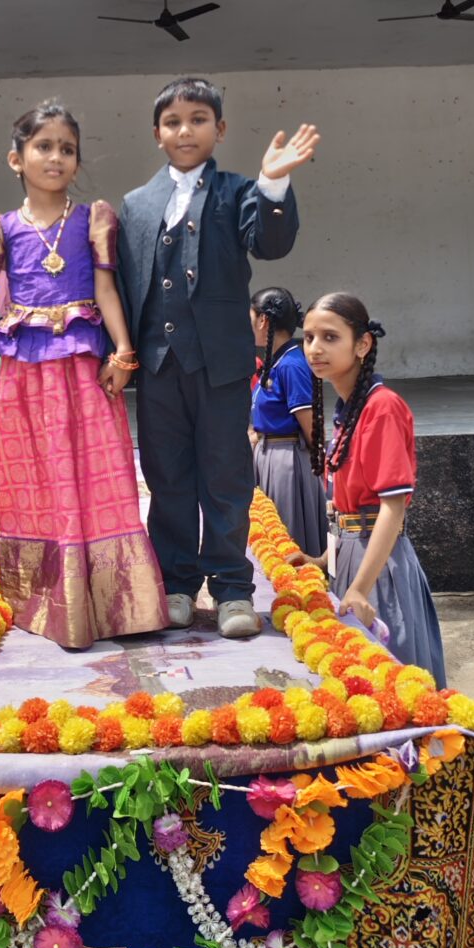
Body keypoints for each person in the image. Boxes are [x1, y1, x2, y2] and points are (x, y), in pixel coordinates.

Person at [0, 100, 167, 650]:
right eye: (43, 146)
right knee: (41, 483)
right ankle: (56, 608)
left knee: (100, 475)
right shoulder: (0, 227)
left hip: (84, 366)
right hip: (24, 375)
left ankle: (120, 603)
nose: (56, 157)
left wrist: (123, 352)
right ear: (16, 159)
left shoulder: (94, 218)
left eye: (67, 149)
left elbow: (106, 290)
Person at [117, 76, 318, 639]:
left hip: (222, 365)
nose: (186, 130)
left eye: (199, 119)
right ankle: (176, 584)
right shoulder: (135, 204)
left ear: (220, 129)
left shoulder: (238, 192)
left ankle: (232, 588)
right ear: (157, 133)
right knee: (167, 476)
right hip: (158, 366)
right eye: (173, 122)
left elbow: (272, 243)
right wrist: (120, 351)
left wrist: (273, 183)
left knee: (227, 476)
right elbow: (126, 283)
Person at [301, 291, 445, 684]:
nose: (315, 348)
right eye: (309, 337)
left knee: (390, 682)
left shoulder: (382, 407)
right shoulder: (350, 407)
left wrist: (360, 590)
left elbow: (392, 509)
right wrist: (321, 560)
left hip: (379, 567)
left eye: (330, 337)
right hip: (354, 555)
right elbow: (345, 508)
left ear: (362, 344)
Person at [249, 287, 327, 557]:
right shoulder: (278, 361)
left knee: (287, 534)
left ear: (263, 320)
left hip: (287, 461)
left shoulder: (292, 364)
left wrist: (313, 473)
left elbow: (312, 427)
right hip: (270, 455)